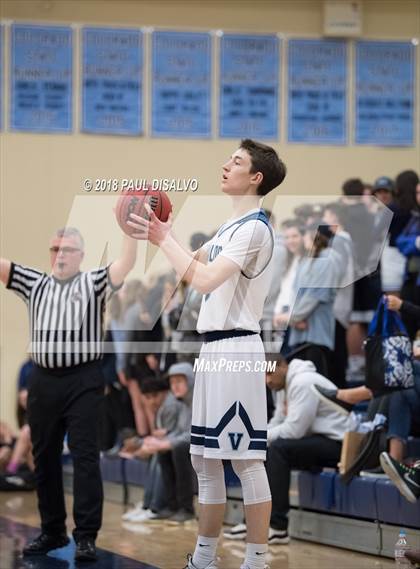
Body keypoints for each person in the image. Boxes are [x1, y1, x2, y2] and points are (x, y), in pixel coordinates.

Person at [129, 139, 287, 569]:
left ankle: (256, 560)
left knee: (245, 459)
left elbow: (203, 280)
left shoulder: (255, 228)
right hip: (213, 350)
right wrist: (160, 225)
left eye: (235, 161)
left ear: (256, 177)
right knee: (203, 458)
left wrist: (163, 238)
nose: (225, 165)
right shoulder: (228, 227)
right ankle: (205, 558)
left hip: (237, 347)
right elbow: (188, 263)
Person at [0, 225, 137, 561]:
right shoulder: (34, 282)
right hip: (43, 380)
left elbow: (126, 263)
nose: (60, 254)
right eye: (55, 248)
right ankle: (51, 531)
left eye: (68, 249)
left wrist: (130, 231)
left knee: (84, 456)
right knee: (44, 456)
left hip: (83, 379)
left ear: (81, 255)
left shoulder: (93, 282)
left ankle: (86, 535)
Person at [224, 354, 349, 544]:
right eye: (263, 376)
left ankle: (278, 526)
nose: (267, 380)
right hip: (315, 439)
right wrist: (253, 440)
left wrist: (257, 439)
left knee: (278, 450)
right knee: (259, 451)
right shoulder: (283, 385)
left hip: (339, 443)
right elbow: (277, 422)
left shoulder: (302, 382)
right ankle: (253, 522)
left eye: (270, 373)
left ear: (283, 366)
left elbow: (294, 431)